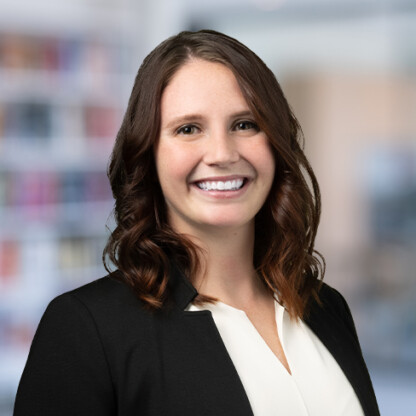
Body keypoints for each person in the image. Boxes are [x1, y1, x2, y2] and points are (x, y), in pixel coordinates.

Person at [14, 30, 380, 416]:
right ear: (148, 154)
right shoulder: (86, 329)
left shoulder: (325, 307)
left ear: (276, 144)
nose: (222, 153)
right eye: (188, 129)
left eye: (245, 124)